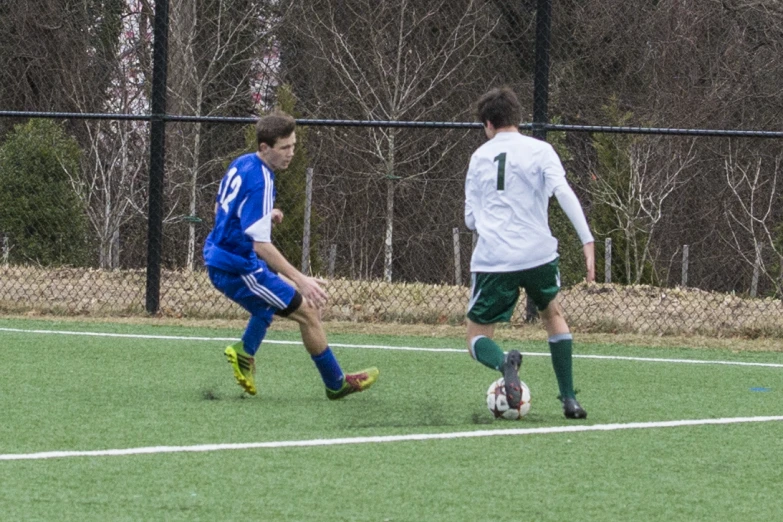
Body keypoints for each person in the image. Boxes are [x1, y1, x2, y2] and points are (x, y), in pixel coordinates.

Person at [203, 110, 379, 399]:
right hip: (237, 268)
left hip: (224, 259)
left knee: (266, 307)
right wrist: (301, 278)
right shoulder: (262, 180)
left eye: (294, 146)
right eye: (284, 147)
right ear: (264, 147)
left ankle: (245, 352)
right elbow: (261, 246)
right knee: (309, 312)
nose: (291, 153)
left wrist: (262, 215)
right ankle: (336, 383)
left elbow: (221, 208)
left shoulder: (242, 163)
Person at [464, 87, 595, 419]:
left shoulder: (479, 157)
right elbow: (562, 192)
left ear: (488, 124)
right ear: (516, 119)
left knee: (476, 336)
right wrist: (587, 239)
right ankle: (569, 399)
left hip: (494, 259)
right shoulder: (542, 150)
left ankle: (503, 362)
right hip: (538, 255)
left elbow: (470, 220)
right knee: (553, 315)